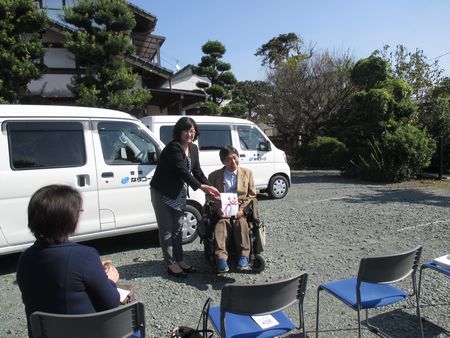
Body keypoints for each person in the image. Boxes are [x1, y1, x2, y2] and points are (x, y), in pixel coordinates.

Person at [16, 184, 121, 337]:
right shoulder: (85, 256)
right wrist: (110, 280)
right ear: (69, 218)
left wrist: (93, 270)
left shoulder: (25, 258)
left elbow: (58, 283)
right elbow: (111, 303)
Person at [150, 116, 220, 278]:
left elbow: (197, 172)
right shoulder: (173, 148)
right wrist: (202, 187)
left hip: (179, 193)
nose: (189, 134)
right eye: (186, 130)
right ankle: (170, 264)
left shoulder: (194, 148)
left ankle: (180, 260)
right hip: (162, 192)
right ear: (179, 131)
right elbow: (182, 171)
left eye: (192, 130)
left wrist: (210, 187)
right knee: (167, 230)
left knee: (178, 228)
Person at [207, 146, 256, 272]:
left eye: (235, 158)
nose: (233, 162)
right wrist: (218, 208)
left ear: (238, 157)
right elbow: (209, 196)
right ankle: (221, 259)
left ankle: (244, 257)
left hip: (240, 209)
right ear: (223, 161)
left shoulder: (247, 173)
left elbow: (252, 195)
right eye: (228, 160)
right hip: (223, 210)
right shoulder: (214, 176)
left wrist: (242, 210)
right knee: (222, 224)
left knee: (241, 223)